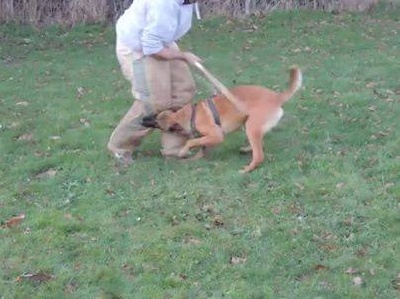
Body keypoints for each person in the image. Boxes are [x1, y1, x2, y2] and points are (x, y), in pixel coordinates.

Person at [108, 0, 201, 165]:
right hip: (137, 47)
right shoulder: (163, 3)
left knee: (183, 91)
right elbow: (150, 47)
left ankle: (175, 149)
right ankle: (120, 147)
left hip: (161, 44)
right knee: (153, 102)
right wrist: (183, 56)